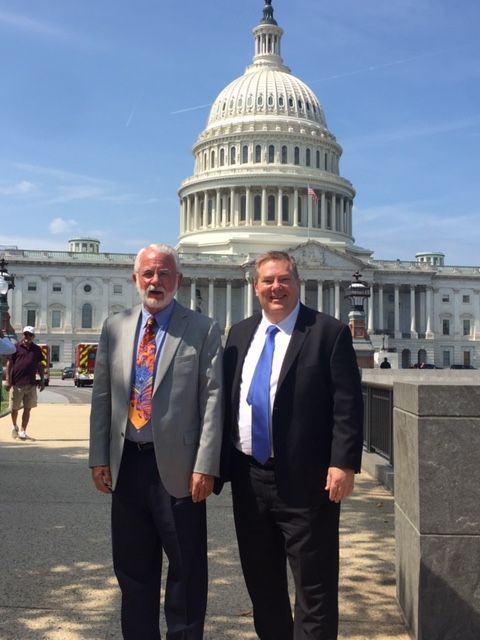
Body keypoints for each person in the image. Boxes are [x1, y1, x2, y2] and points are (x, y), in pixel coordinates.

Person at [223, 251, 363, 640]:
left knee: (314, 588)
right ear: (255, 287)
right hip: (250, 479)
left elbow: (347, 404)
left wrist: (344, 464)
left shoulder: (328, 331)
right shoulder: (238, 334)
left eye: (284, 279)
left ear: (298, 283)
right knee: (263, 586)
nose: (276, 287)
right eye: (268, 281)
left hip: (307, 481)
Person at [89, 243, 223, 640]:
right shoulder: (115, 326)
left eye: (164, 273)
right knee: (132, 571)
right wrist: (99, 457)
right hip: (127, 462)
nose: (155, 281)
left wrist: (206, 464)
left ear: (178, 280)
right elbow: (102, 397)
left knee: (186, 570)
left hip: (181, 468)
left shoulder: (202, 328)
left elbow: (213, 400)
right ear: (135, 279)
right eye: (148, 273)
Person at [5, 325, 45, 440]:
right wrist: (8, 380)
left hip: (31, 384)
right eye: (26, 334)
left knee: (28, 408)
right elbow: (9, 364)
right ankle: (14, 426)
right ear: (23, 335)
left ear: (33, 336)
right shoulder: (15, 347)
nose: (27, 336)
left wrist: (42, 380)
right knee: (14, 408)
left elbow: (39, 366)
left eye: (30, 335)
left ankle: (23, 431)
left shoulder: (37, 350)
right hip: (17, 383)